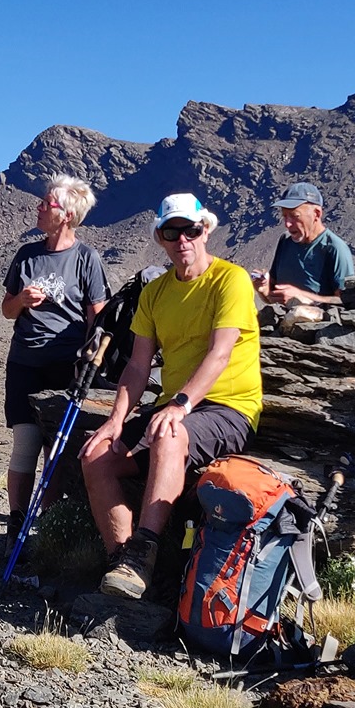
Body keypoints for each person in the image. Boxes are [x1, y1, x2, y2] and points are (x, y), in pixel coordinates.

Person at [81, 193, 263, 599]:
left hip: (229, 408)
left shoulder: (230, 280)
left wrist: (181, 403)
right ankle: (124, 565)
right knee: (96, 456)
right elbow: (137, 367)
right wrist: (114, 421)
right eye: (171, 232)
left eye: (190, 230)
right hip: (175, 407)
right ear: (161, 239)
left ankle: (144, 548)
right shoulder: (156, 292)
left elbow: (220, 354)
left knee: (169, 433)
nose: (182, 240)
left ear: (205, 231)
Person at [0, 176, 111, 545]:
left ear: (66, 215)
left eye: (47, 204)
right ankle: (16, 522)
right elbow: (6, 309)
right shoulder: (26, 255)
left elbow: (98, 314)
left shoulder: (86, 259)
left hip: (66, 366)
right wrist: (21, 302)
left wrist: (94, 360)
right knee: (25, 442)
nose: (39, 207)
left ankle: (46, 523)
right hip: (25, 362)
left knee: (57, 450)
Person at [253, 181, 355, 307]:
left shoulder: (335, 248)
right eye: (284, 216)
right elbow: (273, 298)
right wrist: (263, 289)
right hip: (283, 325)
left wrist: (301, 297)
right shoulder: (285, 241)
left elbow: (346, 302)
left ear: (316, 214)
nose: (287, 224)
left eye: (295, 216)